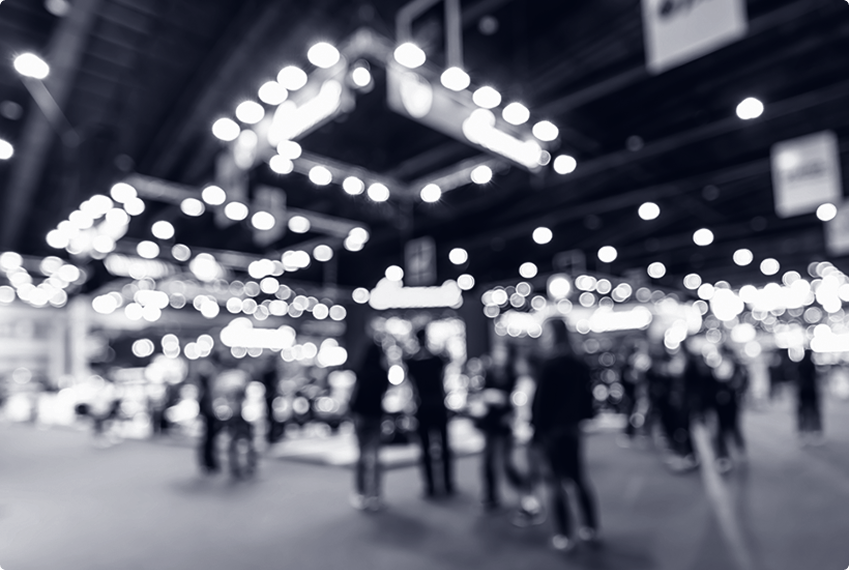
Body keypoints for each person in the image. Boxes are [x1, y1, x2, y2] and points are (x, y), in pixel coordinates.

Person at [531, 319, 599, 552]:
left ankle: (563, 534)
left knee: (556, 482)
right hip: (572, 429)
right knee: (578, 478)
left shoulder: (550, 365)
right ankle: (590, 527)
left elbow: (541, 403)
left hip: (552, 431)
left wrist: (537, 432)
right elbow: (587, 400)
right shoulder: (578, 363)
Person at [472, 343, 524, 511]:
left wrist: (506, 402)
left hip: (505, 423)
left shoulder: (514, 374)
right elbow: (482, 392)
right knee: (488, 461)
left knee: (507, 463)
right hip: (490, 423)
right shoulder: (489, 372)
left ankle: (525, 491)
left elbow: (518, 399)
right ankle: (490, 496)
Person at [406, 327, 454, 498]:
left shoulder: (412, 361)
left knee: (426, 448)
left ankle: (430, 486)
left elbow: (411, 384)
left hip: (423, 406)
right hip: (438, 405)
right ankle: (447, 483)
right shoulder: (436, 359)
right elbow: (447, 362)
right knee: (444, 446)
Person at [348, 339, 389, 511]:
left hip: (360, 416)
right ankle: (376, 494)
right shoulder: (382, 373)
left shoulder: (360, 372)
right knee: (376, 457)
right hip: (376, 416)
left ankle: (360, 493)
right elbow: (383, 394)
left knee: (361, 456)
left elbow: (354, 396)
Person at [796, 349, 822, 444]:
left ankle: (803, 432)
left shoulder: (800, 365)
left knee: (803, 412)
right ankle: (815, 431)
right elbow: (815, 378)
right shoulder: (812, 365)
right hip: (811, 391)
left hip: (803, 391)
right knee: (814, 412)